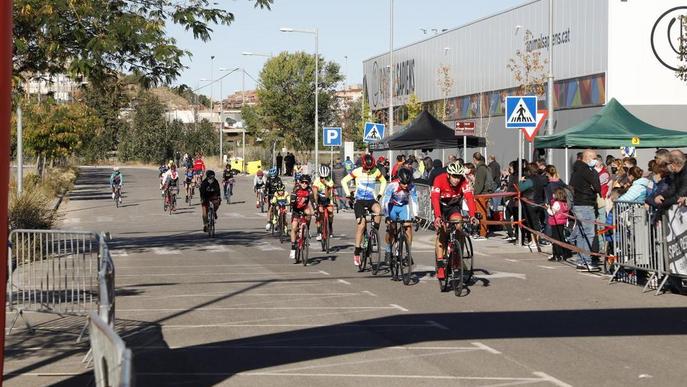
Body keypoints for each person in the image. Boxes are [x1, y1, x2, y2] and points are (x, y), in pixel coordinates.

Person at [431, 161, 478, 280]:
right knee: (442, 232)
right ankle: (441, 265)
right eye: (454, 176)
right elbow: (435, 199)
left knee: (459, 225)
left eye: (458, 176)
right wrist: (437, 217)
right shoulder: (439, 179)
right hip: (440, 207)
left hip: (453, 207)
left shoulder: (463, 181)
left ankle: (457, 256)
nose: (457, 179)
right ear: (448, 175)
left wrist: (472, 215)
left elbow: (469, 198)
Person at [341, 154, 388, 266]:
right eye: (366, 169)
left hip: (371, 199)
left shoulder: (376, 171)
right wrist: (348, 194)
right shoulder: (357, 171)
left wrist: (380, 194)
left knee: (378, 210)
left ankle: (373, 234)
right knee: (361, 225)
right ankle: (357, 251)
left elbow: (384, 181)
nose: (368, 171)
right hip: (359, 201)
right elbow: (344, 181)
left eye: (370, 169)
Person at [569, 149, 602, 272]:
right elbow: (597, 186)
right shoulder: (588, 171)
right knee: (589, 233)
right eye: (594, 158)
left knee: (581, 234)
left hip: (577, 204)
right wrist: (595, 172)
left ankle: (581, 260)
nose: (596, 160)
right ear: (587, 158)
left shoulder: (576, 170)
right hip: (586, 204)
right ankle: (586, 261)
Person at [382, 168, 418, 267]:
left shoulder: (411, 186)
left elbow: (414, 201)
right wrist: (387, 216)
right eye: (404, 183)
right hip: (392, 206)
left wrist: (415, 215)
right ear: (399, 180)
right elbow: (385, 201)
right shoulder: (392, 186)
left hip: (404, 206)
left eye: (408, 183)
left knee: (408, 226)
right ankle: (388, 251)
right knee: (391, 228)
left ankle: (408, 254)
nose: (406, 185)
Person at [289, 174, 315, 260]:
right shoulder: (296, 188)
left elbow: (312, 201)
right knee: (294, 228)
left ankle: (307, 228)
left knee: (310, 213)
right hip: (296, 209)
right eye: (302, 182)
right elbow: (292, 200)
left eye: (306, 183)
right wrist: (292, 203)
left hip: (304, 208)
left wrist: (315, 210)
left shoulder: (309, 190)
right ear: (299, 182)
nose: (304, 184)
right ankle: (293, 248)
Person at [546, 187, 571, 262]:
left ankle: (556, 255)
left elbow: (552, 213)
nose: (552, 195)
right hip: (562, 222)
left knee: (555, 239)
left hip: (555, 223)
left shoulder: (556, 203)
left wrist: (547, 208)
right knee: (561, 238)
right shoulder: (565, 203)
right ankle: (563, 254)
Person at [313, 165, 336, 241]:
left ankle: (330, 226)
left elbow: (327, 195)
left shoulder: (330, 181)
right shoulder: (316, 181)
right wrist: (316, 203)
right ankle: (319, 232)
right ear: (319, 176)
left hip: (327, 198)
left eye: (325, 177)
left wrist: (326, 184)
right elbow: (315, 194)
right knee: (320, 213)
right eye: (322, 177)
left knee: (330, 212)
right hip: (319, 198)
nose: (323, 179)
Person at [472, 152, 492, 239]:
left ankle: (483, 233)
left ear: (475, 159)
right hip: (486, 193)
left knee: (482, 213)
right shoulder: (486, 167)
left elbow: (479, 184)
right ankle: (484, 231)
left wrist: (475, 194)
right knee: (483, 213)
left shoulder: (480, 169)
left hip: (481, 194)